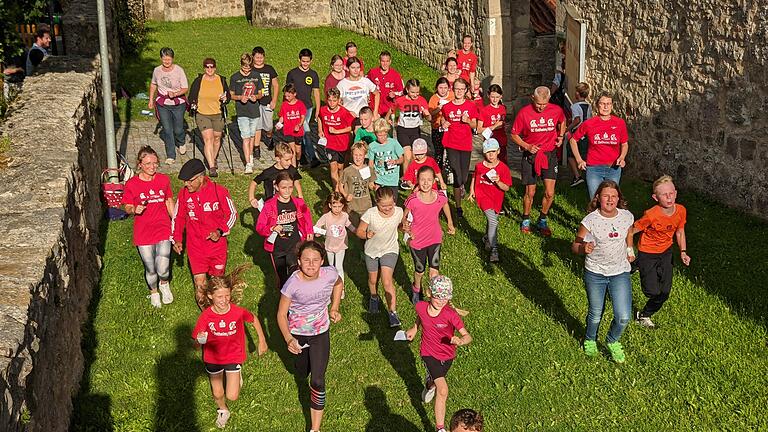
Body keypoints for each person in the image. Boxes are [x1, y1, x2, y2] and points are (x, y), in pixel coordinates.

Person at [277, 240, 343, 432]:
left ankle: (315, 428)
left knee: (317, 380)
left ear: (322, 260)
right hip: (298, 335)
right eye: (306, 260)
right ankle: (301, 368)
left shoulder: (329, 274)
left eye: (315, 260)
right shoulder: (292, 284)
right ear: (299, 261)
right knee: (300, 372)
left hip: (320, 332)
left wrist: (335, 307)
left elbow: (338, 284)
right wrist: (289, 339)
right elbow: (281, 314)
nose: (311, 264)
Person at [193, 264, 268, 429]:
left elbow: (253, 318)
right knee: (218, 393)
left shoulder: (237, 312)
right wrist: (200, 340)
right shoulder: (206, 316)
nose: (224, 300)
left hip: (233, 355)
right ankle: (223, 410)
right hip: (213, 358)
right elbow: (197, 341)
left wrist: (261, 340)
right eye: (219, 296)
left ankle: (236, 375)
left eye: (226, 296)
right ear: (210, 296)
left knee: (232, 396)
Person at [571, 180, 635, 363]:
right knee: (596, 312)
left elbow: (629, 234)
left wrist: (630, 250)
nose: (610, 200)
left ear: (618, 198)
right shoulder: (590, 221)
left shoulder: (626, 216)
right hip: (595, 273)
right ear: (598, 198)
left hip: (620, 271)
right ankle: (590, 339)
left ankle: (612, 341)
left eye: (614, 196)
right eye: (606, 196)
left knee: (623, 316)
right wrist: (583, 249)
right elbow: (575, 245)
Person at [405, 275, 472, 432]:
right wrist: (414, 329)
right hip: (428, 353)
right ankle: (440, 428)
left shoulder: (450, 314)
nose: (441, 302)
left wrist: (461, 341)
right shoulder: (421, 306)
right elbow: (421, 317)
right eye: (438, 297)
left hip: (447, 355)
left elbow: (468, 336)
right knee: (443, 390)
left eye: (445, 298)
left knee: (435, 383)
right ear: (429, 293)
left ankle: (429, 385)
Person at [172, 159, 237, 308]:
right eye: (184, 181)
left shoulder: (218, 191)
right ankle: (207, 314)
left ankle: (220, 312)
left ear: (201, 177)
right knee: (199, 283)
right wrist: (177, 239)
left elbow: (232, 214)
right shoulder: (184, 194)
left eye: (189, 181)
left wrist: (220, 231)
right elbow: (178, 217)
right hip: (196, 248)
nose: (186, 185)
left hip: (217, 248)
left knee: (217, 283)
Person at [631, 175, 690, 328]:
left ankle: (644, 315)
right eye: (664, 194)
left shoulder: (681, 210)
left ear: (676, 193)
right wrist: (628, 249)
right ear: (655, 197)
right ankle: (637, 263)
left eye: (671, 193)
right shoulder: (651, 215)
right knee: (651, 291)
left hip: (666, 252)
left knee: (664, 292)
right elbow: (631, 231)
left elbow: (680, 231)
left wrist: (683, 251)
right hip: (647, 252)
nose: (669, 197)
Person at [122, 146, 175, 308]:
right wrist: (133, 209)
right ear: (139, 164)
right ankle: (153, 292)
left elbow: (168, 201)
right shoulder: (132, 184)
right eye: (147, 164)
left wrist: (176, 222)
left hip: (163, 228)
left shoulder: (164, 180)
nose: (152, 167)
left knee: (163, 268)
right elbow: (126, 206)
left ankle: (164, 284)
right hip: (143, 232)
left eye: (155, 163)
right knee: (151, 267)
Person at [510, 86, 566, 236]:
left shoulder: (556, 110)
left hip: (549, 154)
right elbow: (514, 134)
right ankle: (526, 219)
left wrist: (561, 136)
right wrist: (527, 146)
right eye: (538, 104)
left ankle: (542, 219)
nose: (541, 107)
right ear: (532, 98)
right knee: (531, 191)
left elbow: (562, 121)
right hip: (530, 156)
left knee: (549, 192)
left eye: (544, 104)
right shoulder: (524, 113)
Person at [403, 166, 455, 304]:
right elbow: (404, 217)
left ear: (434, 181)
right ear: (417, 181)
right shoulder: (413, 200)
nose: (425, 183)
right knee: (420, 270)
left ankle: (434, 297)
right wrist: (406, 228)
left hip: (435, 237)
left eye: (429, 180)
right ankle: (416, 288)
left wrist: (450, 222)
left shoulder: (440, 196)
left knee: (434, 271)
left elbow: (445, 205)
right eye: (422, 180)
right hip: (417, 240)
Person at [255, 171, 314, 289]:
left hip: (294, 244)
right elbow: (260, 227)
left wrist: (309, 232)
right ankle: (284, 300)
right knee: (282, 277)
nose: (287, 191)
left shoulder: (298, 203)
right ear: (276, 186)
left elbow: (307, 217)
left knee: (295, 272)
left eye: (290, 187)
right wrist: (271, 228)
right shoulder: (270, 205)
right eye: (283, 187)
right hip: (277, 247)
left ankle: (296, 299)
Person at [356, 187, 404, 327]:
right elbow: (359, 231)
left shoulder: (399, 212)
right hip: (371, 251)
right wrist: (366, 235)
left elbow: (400, 226)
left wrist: (404, 228)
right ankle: (374, 297)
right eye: (384, 206)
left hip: (390, 249)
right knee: (372, 279)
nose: (388, 208)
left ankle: (392, 312)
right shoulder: (370, 214)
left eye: (391, 204)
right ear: (377, 202)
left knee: (387, 281)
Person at [569, 91, 629, 200]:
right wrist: (579, 160)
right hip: (594, 168)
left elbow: (624, 144)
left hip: (613, 168)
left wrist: (622, 157)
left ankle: (610, 217)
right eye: (602, 103)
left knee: (611, 200)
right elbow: (573, 140)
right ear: (597, 105)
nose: (605, 107)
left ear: (612, 105)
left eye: (608, 104)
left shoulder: (619, 123)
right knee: (595, 199)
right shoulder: (589, 123)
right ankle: (594, 217)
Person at [468, 138, 512, 263]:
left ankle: (487, 238)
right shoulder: (480, 166)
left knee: (491, 220)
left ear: (498, 151)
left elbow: (507, 188)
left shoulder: (503, 168)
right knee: (493, 221)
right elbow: (475, 176)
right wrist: (472, 190)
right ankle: (494, 249)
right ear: (483, 153)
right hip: (483, 196)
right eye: (488, 152)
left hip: (497, 198)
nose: (491, 155)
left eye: (493, 151)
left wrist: (498, 181)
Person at [441, 78, 478, 219]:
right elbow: (442, 120)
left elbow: (475, 125)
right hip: (451, 144)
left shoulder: (471, 106)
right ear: (453, 89)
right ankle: (458, 207)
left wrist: (468, 121)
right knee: (456, 174)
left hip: (465, 144)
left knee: (463, 176)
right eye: (457, 89)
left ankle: (461, 186)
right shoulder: (447, 107)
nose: (459, 92)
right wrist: (443, 123)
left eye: (462, 89)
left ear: (466, 90)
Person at [189, 58, 230, 177]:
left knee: (217, 138)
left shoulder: (221, 80)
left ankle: (212, 157)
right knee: (208, 139)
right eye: (207, 67)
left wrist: (225, 99)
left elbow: (227, 96)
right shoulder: (198, 81)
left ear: (215, 68)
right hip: (202, 113)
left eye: (212, 67)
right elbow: (192, 96)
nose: (209, 69)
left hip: (218, 113)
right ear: (204, 68)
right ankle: (212, 167)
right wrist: (193, 103)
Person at [149, 47, 188, 165]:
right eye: (164, 59)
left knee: (178, 128)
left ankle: (181, 141)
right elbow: (153, 84)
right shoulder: (157, 70)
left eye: (169, 59)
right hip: (162, 104)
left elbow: (185, 88)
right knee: (167, 129)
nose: (166, 62)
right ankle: (171, 155)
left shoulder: (179, 70)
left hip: (178, 103)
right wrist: (151, 99)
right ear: (161, 58)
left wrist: (175, 93)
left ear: (172, 59)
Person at [229, 53, 265, 174]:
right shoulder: (235, 77)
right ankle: (248, 163)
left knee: (251, 136)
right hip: (242, 111)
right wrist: (240, 97)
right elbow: (231, 95)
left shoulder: (256, 76)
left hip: (254, 111)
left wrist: (256, 96)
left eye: (249, 68)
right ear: (241, 65)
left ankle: (249, 157)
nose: (247, 70)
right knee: (245, 137)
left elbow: (261, 93)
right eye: (245, 68)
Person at [286, 48, 321, 167]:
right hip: (295, 109)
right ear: (299, 60)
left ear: (311, 61)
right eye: (303, 61)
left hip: (308, 108)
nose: (305, 63)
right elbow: (288, 92)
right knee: (306, 132)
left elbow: (316, 92)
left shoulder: (313, 74)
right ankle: (312, 157)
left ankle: (302, 157)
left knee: (301, 133)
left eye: (307, 61)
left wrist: (318, 108)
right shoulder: (292, 73)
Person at [314, 192, 355, 293]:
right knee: (331, 266)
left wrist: (357, 231)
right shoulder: (326, 217)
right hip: (329, 246)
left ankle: (341, 289)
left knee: (339, 266)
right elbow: (317, 227)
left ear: (343, 206)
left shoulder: (344, 216)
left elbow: (349, 225)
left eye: (340, 206)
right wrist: (318, 233)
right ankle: (332, 286)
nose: (337, 209)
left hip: (341, 245)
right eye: (335, 206)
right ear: (330, 205)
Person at [390, 78, 431, 178]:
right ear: (407, 90)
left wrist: (427, 114)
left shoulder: (422, 100)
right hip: (403, 130)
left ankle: (412, 176)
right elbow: (391, 110)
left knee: (414, 156)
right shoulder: (400, 100)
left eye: (417, 92)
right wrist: (389, 119)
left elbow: (429, 118)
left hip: (415, 130)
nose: (415, 95)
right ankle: (405, 179)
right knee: (407, 154)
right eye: (412, 92)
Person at [317, 87, 354, 191]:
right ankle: (336, 190)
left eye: (334, 101)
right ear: (326, 100)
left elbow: (351, 127)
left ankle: (342, 184)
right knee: (333, 166)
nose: (332, 103)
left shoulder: (344, 112)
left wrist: (337, 131)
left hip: (342, 143)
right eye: (329, 100)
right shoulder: (323, 110)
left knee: (340, 167)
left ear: (339, 100)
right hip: (329, 144)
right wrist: (320, 130)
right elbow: (319, 117)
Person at [367, 119, 404, 204]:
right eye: (380, 135)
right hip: (379, 179)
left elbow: (402, 159)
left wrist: (395, 161)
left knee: (392, 202)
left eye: (385, 135)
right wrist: (372, 179)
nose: (383, 138)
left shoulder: (393, 143)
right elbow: (371, 163)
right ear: (375, 134)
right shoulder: (372, 146)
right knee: (379, 202)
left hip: (392, 179)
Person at [339, 141, 376, 227]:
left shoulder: (368, 169)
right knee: (354, 229)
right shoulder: (347, 171)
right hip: (353, 206)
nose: (358, 158)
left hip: (366, 204)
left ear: (364, 155)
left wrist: (375, 188)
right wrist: (345, 195)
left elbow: (370, 184)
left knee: (366, 228)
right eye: (356, 155)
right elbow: (340, 185)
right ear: (352, 155)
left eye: (360, 155)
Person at [251, 46, 280, 150]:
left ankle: (269, 136)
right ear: (253, 57)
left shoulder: (269, 69)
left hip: (267, 101)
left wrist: (274, 100)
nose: (259, 60)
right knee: (257, 125)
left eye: (261, 57)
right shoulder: (251, 69)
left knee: (268, 126)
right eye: (257, 57)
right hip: (255, 102)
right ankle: (256, 147)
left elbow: (276, 85)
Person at [337, 56, 380, 121]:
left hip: (364, 117)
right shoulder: (342, 84)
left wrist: (375, 111)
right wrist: (347, 112)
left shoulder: (365, 81)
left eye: (358, 67)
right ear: (348, 68)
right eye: (353, 68)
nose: (356, 70)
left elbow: (377, 94)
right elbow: (336, 101)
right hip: (348, 117)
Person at [428, 77, 454, 181]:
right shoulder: (434, 98)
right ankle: (437, 172)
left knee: (449, 151)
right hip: (437, 128)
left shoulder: (452, 96)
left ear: (449, 88)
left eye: (445, 88)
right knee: (438, 151)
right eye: (440, 87)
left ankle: (449, 172)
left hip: (450, 128)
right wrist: (439, 108)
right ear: (436, 88)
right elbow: (430, 114)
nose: (443, 90)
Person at [567, 82, 592, 187]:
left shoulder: (575, 106)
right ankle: (587, 177)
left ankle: (577, 176)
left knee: (570, 154)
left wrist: (568, 128)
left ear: (577, 93)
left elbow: (577, 120)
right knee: (585, 154)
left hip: (578, 133)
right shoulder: (589, 105)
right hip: (588, 133)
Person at [276, 83, 307, 166]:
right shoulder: (284, 105)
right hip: (288, 130)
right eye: (285, 96)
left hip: (298, 131)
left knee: (298, 151)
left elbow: (303, 116)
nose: (287, 98)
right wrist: (279, 123)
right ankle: (293, 167)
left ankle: (298, 160)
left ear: (295, 94)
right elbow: (282, 116)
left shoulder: (300, 104)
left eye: (289, 96)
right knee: (292, 149)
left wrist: (299, 125)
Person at [367, 51, 404, 119]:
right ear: (379, 61)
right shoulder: (372, 72)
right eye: (383, 61)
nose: (385, 64)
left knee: (387, 129)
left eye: (387, 61)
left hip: (389, 110)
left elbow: (401, 92)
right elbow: (365, 86)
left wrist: (394, 95)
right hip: (374, 109)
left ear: (390, 61)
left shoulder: (396, 75)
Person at [477, 84, 508, 164]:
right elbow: (479, 129)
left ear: (501, 96)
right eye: (492, 97)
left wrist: (505, 125)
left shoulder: (503, 108)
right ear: (488, 95)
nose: (495, 99)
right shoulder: (484, 110)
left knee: (502, 164)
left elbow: (503, 123)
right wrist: (494, 126)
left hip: (502, 141)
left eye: (497, 97)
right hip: (490, 142)